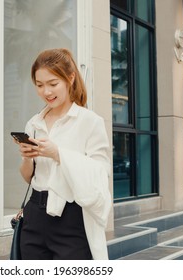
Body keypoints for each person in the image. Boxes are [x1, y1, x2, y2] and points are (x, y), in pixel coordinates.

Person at [14, 48, 112, 260]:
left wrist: (58, 154)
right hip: (35, 216)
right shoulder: (33, 123)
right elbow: (29, 178)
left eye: (53, 84)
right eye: (39, 85)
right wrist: (27, 157)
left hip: (72, 219)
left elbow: (101, 173)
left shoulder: (89, 121)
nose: (46, 92)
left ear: (70, 78)